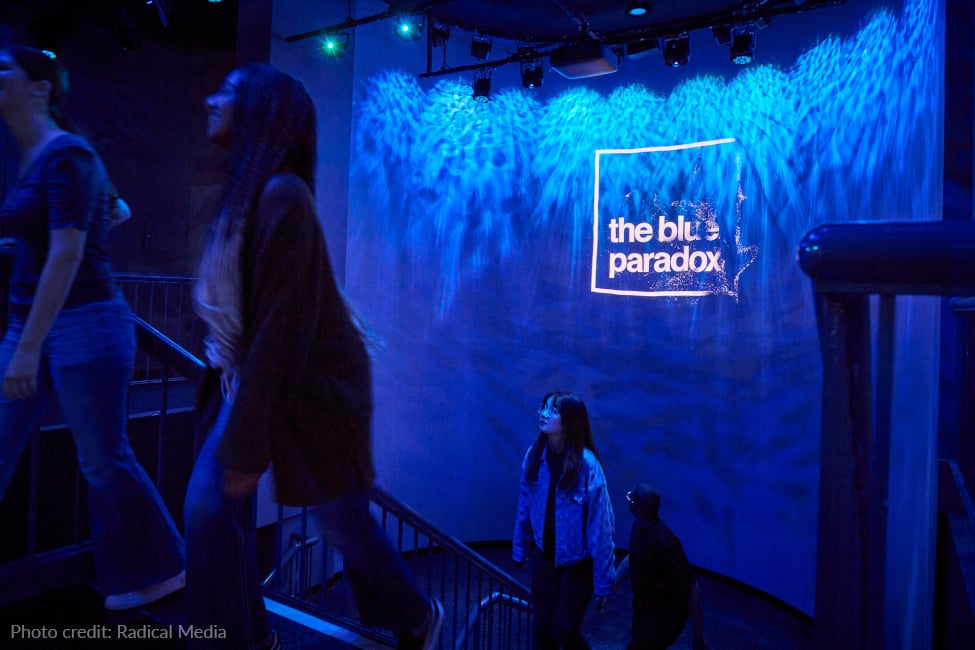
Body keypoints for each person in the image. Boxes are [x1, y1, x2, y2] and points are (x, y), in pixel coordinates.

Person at [182, 63, 443, 650]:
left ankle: (418, 617)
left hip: (320, 392)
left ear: (260, 110)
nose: (210, 97)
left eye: (226, 90)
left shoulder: (283, 196)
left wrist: (246, 445)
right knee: (210, 511)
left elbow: (280, 328)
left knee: (342, 524)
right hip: (265, 380)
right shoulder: (251, 196)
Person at [0, 45, 186, 609]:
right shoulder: (37, 158)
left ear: (39, 87)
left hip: (82, 323)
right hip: (36, 321)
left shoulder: (67, 154)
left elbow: (66, 252)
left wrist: (29, 347)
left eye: (4, 67)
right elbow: (114, 212)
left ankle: (161, 567)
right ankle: (156, 565)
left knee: (103, 460)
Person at [512, 391, 616, 650]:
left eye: (553, 410)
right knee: (542, 628)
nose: (544, 414)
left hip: (578, 564)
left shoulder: (587, 465)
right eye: (543, 407)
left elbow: (600, 526)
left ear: (570, 420)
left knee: (565, 629)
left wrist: (603, 581)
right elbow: (524, 503)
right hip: (544, 557)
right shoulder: (535, 455)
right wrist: (520, 545)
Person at [615, 484, 711, 650]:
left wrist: (698, 637)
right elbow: (633, 556)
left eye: (632, 499)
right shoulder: (638, 527)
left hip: (664, 618)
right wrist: (612, 582)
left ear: (637, 507)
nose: (629, 501)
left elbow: (692, 589)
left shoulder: (665, 542)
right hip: (644, 611)